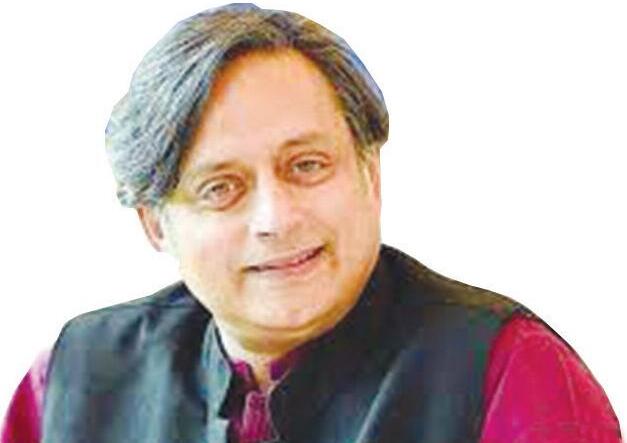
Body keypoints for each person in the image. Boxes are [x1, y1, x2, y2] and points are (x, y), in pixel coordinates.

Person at [1, 3, 622, 442]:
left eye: (306, 166)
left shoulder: (506, 372)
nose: (275, 218)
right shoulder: (72, 382)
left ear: (369, 175)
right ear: (155, 225)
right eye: (222, 188)